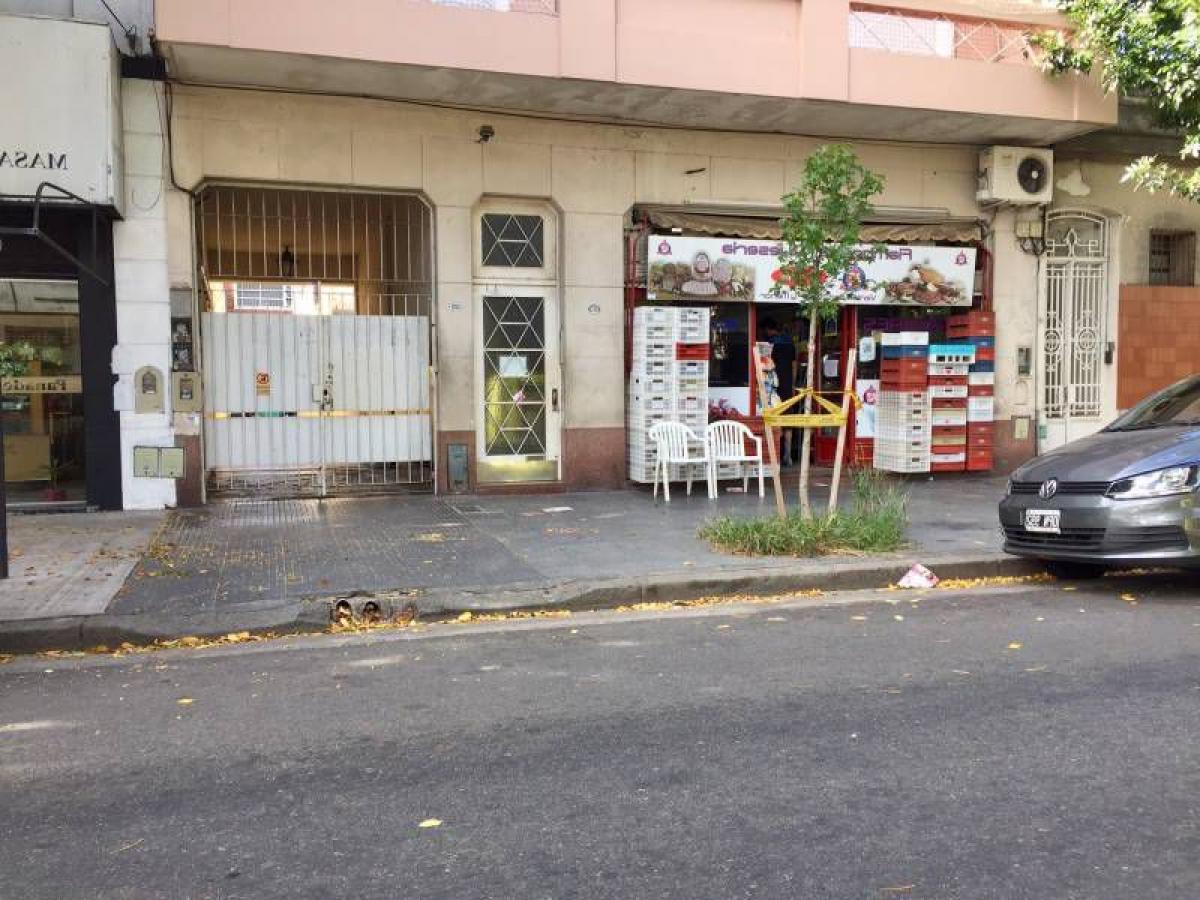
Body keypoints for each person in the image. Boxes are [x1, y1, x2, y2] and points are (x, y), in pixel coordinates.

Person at [761, 317, 797, 464]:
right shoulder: (790, 343)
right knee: (788, 419)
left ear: (768, 330)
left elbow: (765, 366)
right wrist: (793, 384)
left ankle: (775, 454)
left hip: (772, 386)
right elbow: (794, 366)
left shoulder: (769, 345)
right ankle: (787, 455)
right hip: (788, 385)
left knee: (775, 419)